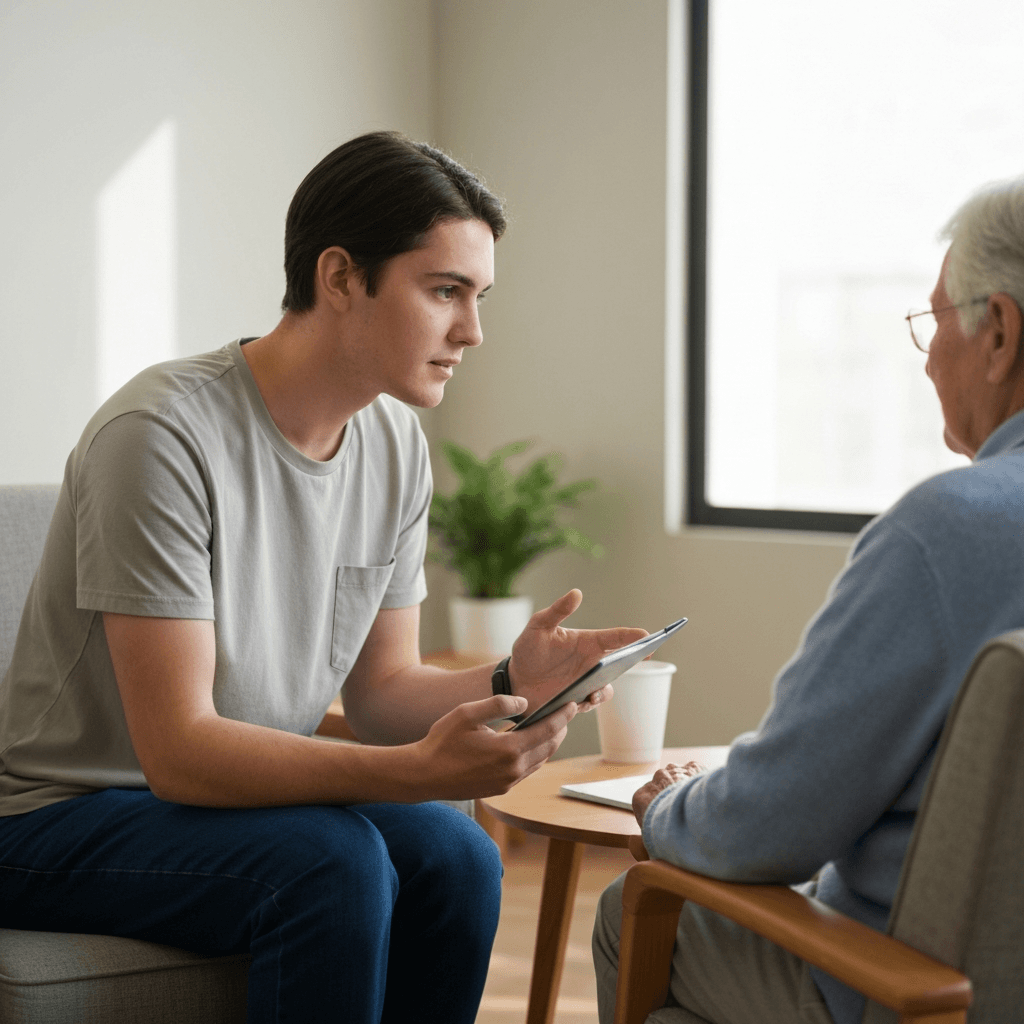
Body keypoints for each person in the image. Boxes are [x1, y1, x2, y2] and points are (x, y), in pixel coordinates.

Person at [0, 130, 645, 1024]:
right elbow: (180, 751)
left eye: (479, 295)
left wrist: (509, 683)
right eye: (445, 291)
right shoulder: (161, 435)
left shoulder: (393, 446)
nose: (474, 331)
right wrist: (415, 771)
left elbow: (382, 691)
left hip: (229, 807)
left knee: (458, 857)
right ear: (341, 278)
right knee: (329, 861)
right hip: (55, 819)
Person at [593, 174, 1024, 1024]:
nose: (930, 356)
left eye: (934, 321)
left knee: (632, 907)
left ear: (1000, 331)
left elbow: (771, 825)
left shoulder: (947, 532)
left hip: (919, 989)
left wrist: (670, 803)